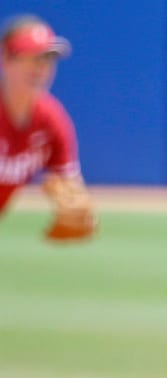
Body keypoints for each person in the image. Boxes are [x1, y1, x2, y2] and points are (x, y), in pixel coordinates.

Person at [0, 13, 96, 241]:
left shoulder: (51, 120)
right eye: (30, 57)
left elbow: (71, 189)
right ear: (5, 58)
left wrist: (81, 211)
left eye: (47, 58)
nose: (40, 68)